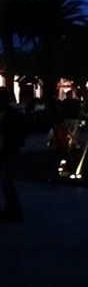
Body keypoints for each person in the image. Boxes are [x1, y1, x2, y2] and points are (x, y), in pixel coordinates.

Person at [0, 87, 27, 221]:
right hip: (7, 149)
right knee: (6, 182)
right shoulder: (10, 113)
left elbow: (19, 132)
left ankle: (13, 209)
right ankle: (10, 207)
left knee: (7, 182)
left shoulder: (12, 114)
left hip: (9, 150)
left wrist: (16, 144)